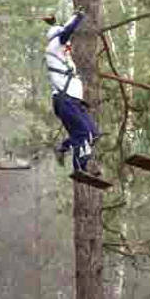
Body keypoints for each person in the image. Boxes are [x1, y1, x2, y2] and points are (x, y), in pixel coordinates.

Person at [42, 9, 101, 176]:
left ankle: (64, 148)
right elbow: (67, 31)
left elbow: (64, 29)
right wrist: (79, 16)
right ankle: (81, 167)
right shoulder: (55, 45)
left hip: (73, 102)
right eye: (67, 42)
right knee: (83, 133)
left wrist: (54, 22)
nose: (69, 45)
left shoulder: (60, 49)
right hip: (65, 100)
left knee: (93, 133)